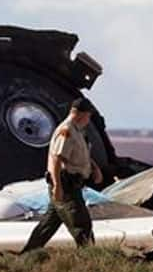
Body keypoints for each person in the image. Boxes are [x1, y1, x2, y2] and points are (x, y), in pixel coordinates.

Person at [21, 97, 103, 253]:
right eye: (88, 116)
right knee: (81, 224)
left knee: (48, 225)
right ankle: (89, 257)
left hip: (71, 184)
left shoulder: (78, 131)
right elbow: (56, 159)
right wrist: (57, 186)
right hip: (66, 185)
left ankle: (28, 255)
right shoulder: (66, 131)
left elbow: (80, 154)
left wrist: (94, 168)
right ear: (79, 114)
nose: (88, 120)